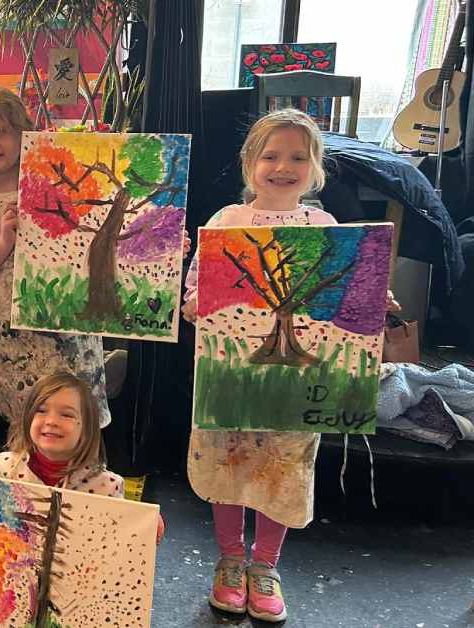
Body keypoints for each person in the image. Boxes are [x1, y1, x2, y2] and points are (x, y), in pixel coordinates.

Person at [181, 108, 399, 623]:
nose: (283, 167)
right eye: (271, 155)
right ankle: (231, 559)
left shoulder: (323, 227)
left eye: (298, 157)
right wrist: (195, 290)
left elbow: (340, 298)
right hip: (233, 379)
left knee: (283, 468)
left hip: (300, 385)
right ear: (249, 163)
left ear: (316, 167)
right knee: (227, 465)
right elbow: (192, 302)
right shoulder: (225, 223)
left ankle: (266, 565)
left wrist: (371, 301)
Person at [0, 86, 111, 475]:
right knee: (19, 449)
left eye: (1, 131)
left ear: (24, 136)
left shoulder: (63, 186)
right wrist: (3, 244)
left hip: (67, 339)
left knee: (71, 437)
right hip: (7, 348)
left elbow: (100, 242)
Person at [0, 372, 164, 543]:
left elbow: (118, 537)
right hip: (19, 564)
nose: (51, 421)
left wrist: (143, 523)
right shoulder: (6, 466)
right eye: (41, 410)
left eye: (67, 415)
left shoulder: (106, 487)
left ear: (86, 430)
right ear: (28, 419)